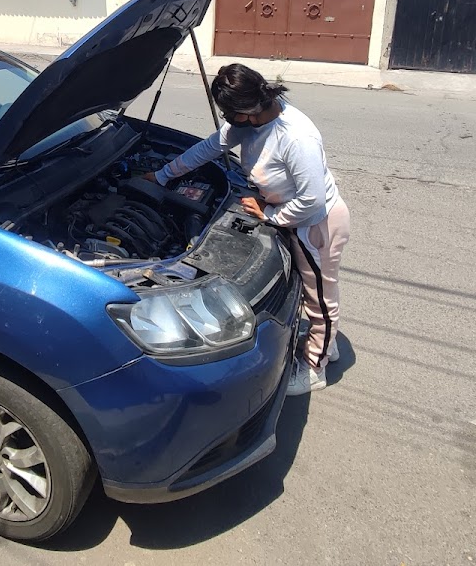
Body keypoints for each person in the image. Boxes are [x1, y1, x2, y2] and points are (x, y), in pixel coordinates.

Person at [143, 63, 350, 395]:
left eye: (230, 113)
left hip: (316, 225)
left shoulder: (296, 137)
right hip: (291, 217)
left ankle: (315, 367)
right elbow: (210, 147)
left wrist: (269, 214)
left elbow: (312, 202)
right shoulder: (251, 122)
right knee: (310, 293)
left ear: (250, 109)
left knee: (320, 299)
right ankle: (326, 343)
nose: (227, 119)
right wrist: (164, 175)